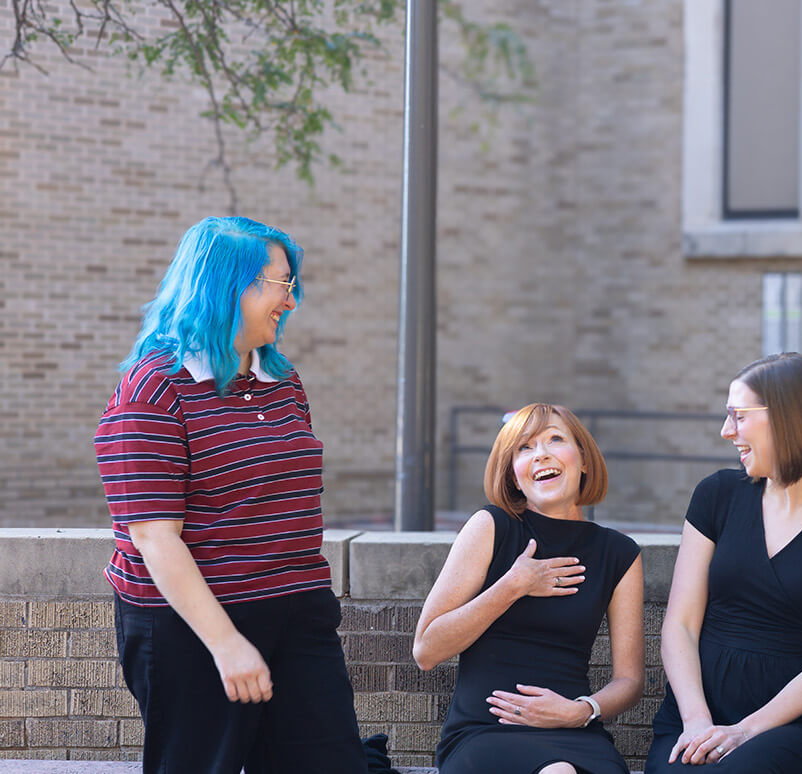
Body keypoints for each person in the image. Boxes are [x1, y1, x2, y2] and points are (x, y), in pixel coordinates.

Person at [94, 216, 367, 773]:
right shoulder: (153, 388)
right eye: (281, 284)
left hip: (298, 612)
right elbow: (154, 537)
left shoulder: (283, 381)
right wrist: (226, 643)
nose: (291, 301)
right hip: (193, 627)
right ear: (228, 286)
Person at [648, 353, 802, 773]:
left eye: (739, 416)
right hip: (695, 715)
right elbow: (681, 625)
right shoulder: (716, 495)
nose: (727, 431)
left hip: (794, 727)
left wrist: (743, 732)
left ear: (785, 417)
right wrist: (696, 722)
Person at [415, 404, 645, 774]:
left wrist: (580, 711)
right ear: (513, 476)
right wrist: (513, 585)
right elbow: (426, 650)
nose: (541, 454)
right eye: (525, 447)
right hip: (487, 731)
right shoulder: (491, 526)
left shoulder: (618, 552)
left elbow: (629, 681)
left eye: (555, 439)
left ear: (584, 460)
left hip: (573, 731)